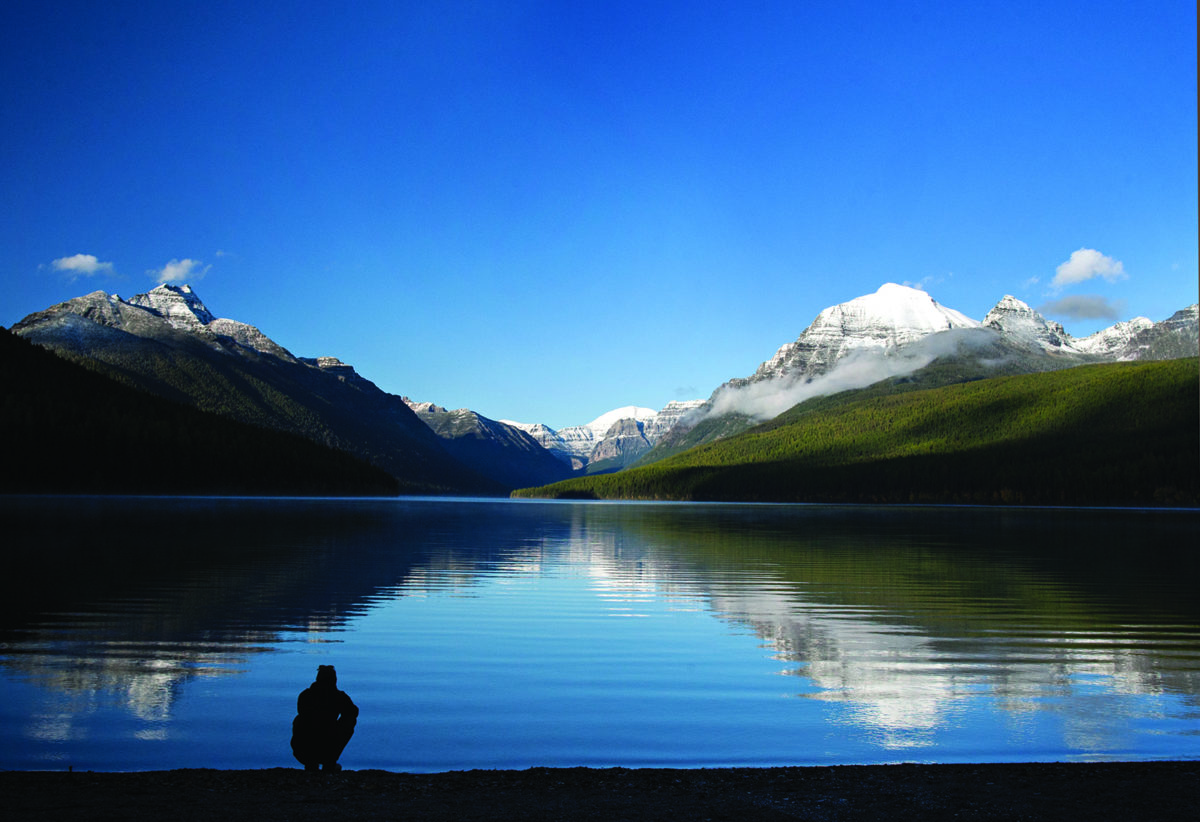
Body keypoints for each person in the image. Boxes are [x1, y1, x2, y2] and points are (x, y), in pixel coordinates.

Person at [291, 664, 358, 772]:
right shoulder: (338, 697)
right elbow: (353, 712)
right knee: (350, 720)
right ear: (334, 679)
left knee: (299, 720)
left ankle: (311, 763)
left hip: (303, 749)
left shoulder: (305, 695)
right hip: (327, 744)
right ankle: (329, 762)